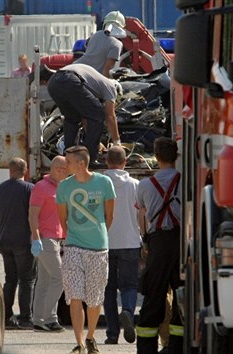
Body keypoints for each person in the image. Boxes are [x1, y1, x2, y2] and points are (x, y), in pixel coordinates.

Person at [56, 145, 116, 354]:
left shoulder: (104, 182)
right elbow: (63, 220)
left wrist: (97, 235)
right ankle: (80, 342)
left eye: (69, 162)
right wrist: (73, 237)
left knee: (94, 297)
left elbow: (109, 217)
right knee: (74, 296)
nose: (66, 166)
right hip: (73, 246)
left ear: (81, 163)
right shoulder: (64, 187)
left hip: (98, 249)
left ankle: (91, 337)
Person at [135, 137, 184, 354]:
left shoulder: (145, 185)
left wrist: (145, 240)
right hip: (182, 242)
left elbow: (142, 215)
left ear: (156, 158)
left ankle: (147, 349)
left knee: (154, 295)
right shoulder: (186, 181)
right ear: (177, 157)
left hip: (158, 242)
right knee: (182, 296)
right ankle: (177, 348)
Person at [0, 157, 36, 330]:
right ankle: (25, 317)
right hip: (23, 241)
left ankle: (7, 317)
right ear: (25, 170)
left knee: (10, 279)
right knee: (27, 280)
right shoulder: (30, 189)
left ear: (10, 170)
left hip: (4, 240)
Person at [102, 145, 141, 345]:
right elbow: (142, 213)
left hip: (104, 243)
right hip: (130, 241)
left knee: (108, 289)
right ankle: (127, 310)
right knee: (129, 285)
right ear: (125, 162)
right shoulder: (135, 184)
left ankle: (112, 334)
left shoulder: (99, 183)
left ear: (106, 162)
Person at [46, 63, 121, 167]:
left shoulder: (93, 83)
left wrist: (96, 143)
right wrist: (117, 142)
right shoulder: (111, 87)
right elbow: (110, 116)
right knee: (98, 113)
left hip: (53, 82)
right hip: (69, 80)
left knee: (72, 118)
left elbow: (86, 119)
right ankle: (90, 159)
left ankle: (67, 156)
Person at [29, 155, 68, 333]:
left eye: (64, 169)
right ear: (51, 169)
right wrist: (36, 238)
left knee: (44, 280)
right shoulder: (41, 187)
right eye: (58, 168)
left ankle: (38, 319)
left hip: (55, 239)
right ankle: (50, 318)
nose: (61, 171)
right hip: (45, 238)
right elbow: (32, 215)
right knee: (60, 277)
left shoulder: (63, 187)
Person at [75, 11, 126, 77]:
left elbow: (87, 46)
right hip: (85, 78)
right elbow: (107, 71)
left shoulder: (96, 34)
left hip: (75, 69)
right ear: (122, 27)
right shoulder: (117, 44)